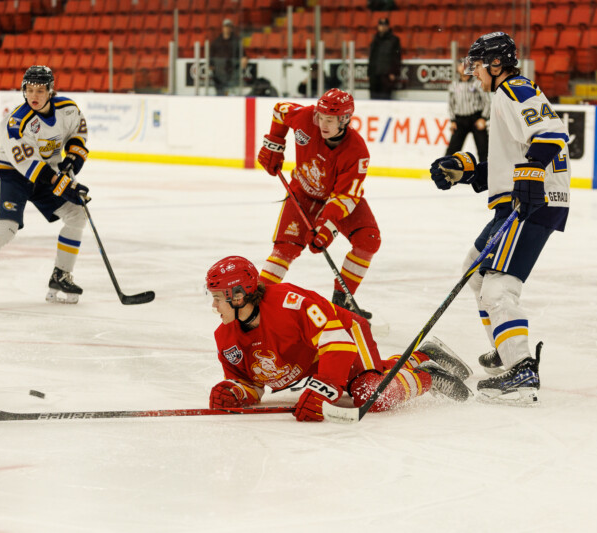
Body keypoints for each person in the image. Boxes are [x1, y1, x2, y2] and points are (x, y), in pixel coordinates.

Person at [428, 32, 571, 405]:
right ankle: (506, 352)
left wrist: (532, 174)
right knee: (475, 269)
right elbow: (513, 161)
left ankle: (522, 369)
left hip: (533, 204)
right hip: (520, 201)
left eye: (477, 64)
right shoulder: (504, 96)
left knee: (497, 288)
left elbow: (552, 133)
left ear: (495, 64)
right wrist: (469, 170)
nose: (473, 72)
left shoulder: (515, 89)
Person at [205, 256, 471, 422]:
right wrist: (235, 392)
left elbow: (337, 343)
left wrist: (326, 388)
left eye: (218, 298)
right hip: (314, 357)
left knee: (369, 392)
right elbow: (249, 381)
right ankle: (423, 355)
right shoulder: (226, 336)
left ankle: (430, 376)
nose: (214, 306)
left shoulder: (289, 303)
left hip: (346, 333)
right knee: (367, 381)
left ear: (238, 296)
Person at [0, 66, 91, 309]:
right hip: (11, 175)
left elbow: (78, 137)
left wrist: (71, 163)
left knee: (77, 214)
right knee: (5, 227)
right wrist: (63, 184)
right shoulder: (16, 122)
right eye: (29, 89)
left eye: (40, 90)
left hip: (45, 174)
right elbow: (28, 165)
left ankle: (60, 277)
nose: (34, 95)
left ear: (51, 91)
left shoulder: (68, 109)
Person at [256, 88, 379, 320]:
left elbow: (345, 197)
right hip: (302, 192)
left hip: (336, 198)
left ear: (345, 119)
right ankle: (255, 305)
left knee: (368, 239)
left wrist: (326, 226)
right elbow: (280, 111)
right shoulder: (306, 117)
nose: (322, 123)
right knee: (284, 250)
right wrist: (274, 142)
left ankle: (342, 302)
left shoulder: (357, 151)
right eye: (321, 117)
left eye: (330, 120)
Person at [446, 58, 490, 162]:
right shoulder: (453, 85)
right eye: (460, 65)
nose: (463, 68)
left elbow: (487, 101)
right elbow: (451, 104)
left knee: (484, 150)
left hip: (476, 118)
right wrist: (452, 121)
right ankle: (445, 173)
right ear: (457, 68)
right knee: (451, 151)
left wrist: (483, 118)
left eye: (465, 65)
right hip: (460, 120)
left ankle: (486, 174)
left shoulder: (477, 83)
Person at [367, 17, 402, 100]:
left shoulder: (394, 40)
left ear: (388, 26)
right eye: (381, 25)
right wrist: (369, 73)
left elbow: (397, 57)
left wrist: (393, 72)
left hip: (386, 74)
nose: (382, 27)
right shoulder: (375, 39)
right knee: (373, 98)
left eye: (385, 25)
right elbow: (371, 57)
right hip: (374, 74)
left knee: (385, 98)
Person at [210, 18, 247, 96]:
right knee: (220, 91)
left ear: (231, 28)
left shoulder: (236, 41)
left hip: (232, 70)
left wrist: (243, 60)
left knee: (231, 91)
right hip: (219, 71)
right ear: (223, 28)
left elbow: (243, 55)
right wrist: (212, 65)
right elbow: (211, 56)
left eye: (229, 27)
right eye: (225, 27)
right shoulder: (217, 41)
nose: (227, 29)